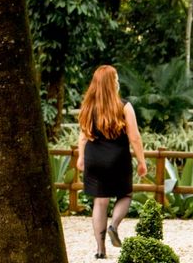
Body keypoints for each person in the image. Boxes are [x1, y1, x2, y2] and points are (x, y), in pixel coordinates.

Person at [77, 65, 147, 259]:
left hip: (94, 158)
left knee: (100, 202)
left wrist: (81, 158)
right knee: (125, 194)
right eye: (115, 78)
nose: (117, 82)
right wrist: (142, 161)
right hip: (117, 158)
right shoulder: (124, 106)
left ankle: (100, 250)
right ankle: (113, 226)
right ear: (111, 83)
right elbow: (134, 137)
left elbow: (82, 137)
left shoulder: (88, 107)